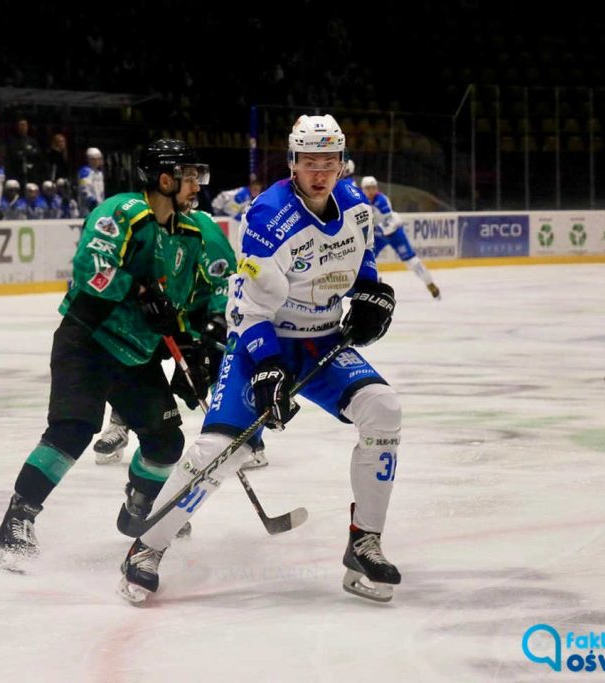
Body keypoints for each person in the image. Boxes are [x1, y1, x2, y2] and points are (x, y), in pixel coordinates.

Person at [117, 115, 402, 605]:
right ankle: (145, 549)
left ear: (342, 163)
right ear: (293, 162)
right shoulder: (268, 215)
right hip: (262, 341)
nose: (320, 172)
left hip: (322, 340)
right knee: (222, 451)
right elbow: (248, 309)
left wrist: (375, 294)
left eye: (328, 162)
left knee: (384, 409)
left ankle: (364, 542)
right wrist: (268, 367)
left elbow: (360, 260)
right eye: (309, 162)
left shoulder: (356, 205)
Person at [0, 139, 218, 571]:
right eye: (188, 177)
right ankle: (16, 521)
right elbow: (92, 270)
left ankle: (139, 502)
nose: (196, 186)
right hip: (88, 340)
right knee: (73, 429)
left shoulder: (188, 235)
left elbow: (184, 305)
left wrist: (193, 348)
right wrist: (138, 289)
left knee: (167, 442)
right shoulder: (123, 212)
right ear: (164, 180)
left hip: (137, 356)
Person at [93, 208, 269, 469]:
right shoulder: (146, 225)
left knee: (221, 365)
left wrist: (216, 321)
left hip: (198, 318)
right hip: (161, 315)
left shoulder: (202, 230)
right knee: (131, 360)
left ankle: (243, 437)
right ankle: (120, 423)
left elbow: (226, 281)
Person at [360, 176, 441, 300]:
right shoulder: (361, 200)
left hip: (394, 233)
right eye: (368, 188)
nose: (371, 191)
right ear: (363, 189)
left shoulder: (381, 200)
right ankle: (374, 282)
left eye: (373, 188)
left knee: (412, 262)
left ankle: (430, 284)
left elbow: (384, 221)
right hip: (379, 235)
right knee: (366, 259)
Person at [77, 147, 105, 214]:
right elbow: (83, 187)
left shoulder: (99, 173)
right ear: (88, 160)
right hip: (88, 207)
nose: (96, 161)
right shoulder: (85, 172)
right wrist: (90, 200)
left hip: (99, 205)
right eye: (93, 159)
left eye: (98, 159)